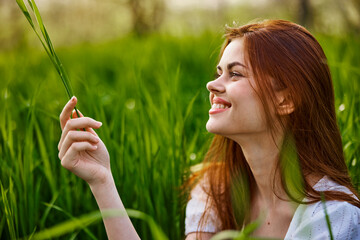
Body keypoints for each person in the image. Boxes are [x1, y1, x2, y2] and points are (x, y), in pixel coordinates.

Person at [58, 19, 360, 240]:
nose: (212, 85)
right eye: (219, 72)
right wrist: (102, 179)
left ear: (286, 99)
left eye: (235, 74)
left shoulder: (331, 218)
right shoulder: (215, 191)